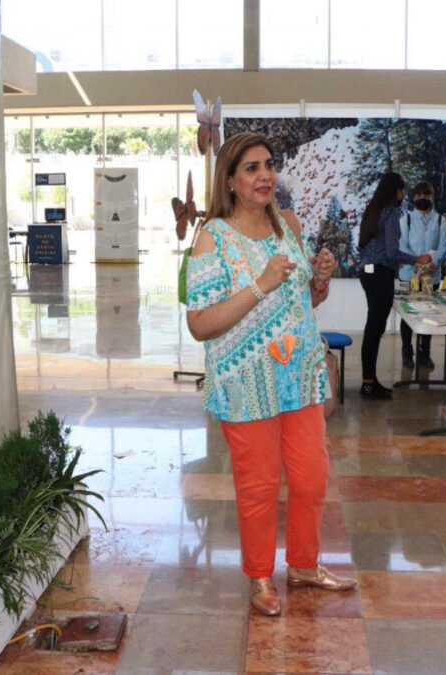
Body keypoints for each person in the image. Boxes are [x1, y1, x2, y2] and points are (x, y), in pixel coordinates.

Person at [185, 132, 355, 617]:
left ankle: (303, 565)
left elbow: (305, 300)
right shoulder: (212, 238)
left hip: (300, 376)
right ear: (232, 182)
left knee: (311, 477)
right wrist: (259, 286)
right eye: (252, 168)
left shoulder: (290, 227)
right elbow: (199, 323)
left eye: (268, 166)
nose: (265, 176)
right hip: (245, 382)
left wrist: (318, 279)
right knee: (258, 486)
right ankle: (260, 576)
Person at [357, 172, 432, 399]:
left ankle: (368, 381)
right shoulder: (391, 213)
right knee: (375, 329)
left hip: (367, 273)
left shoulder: (373, 211)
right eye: (402, 191)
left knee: (373, 328)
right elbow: (391, 252)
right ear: (396, 191)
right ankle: (369, 384)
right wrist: (415, 259)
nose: (403, 195)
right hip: (380, 274)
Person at [398, 181, 446, 369]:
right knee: (408, 314)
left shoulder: (440, 220)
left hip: (432, 276)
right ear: (413, 198)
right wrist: (416, 260)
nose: (422, 198)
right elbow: (402, 245)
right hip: (409, 274)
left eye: (426, 195)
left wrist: (432, 263)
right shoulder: (406, 219)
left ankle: (424, 352)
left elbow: (443, 245)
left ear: (432, 197)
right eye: (418, 195)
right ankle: (407, 351)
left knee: (428, 313)